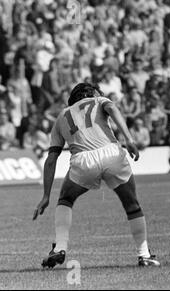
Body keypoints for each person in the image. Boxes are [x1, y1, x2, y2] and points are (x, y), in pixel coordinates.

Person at [32, 83, 160, 268]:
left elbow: (51, 159)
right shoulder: (99, 100)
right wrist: (129, 139)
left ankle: (60, 247)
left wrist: (45, 196)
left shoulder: (62, 116)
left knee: (66, 199)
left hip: (83, 161)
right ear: (90, 93)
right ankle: (144, 255)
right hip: (111, 154)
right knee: (132, 204)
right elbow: (113, 107)